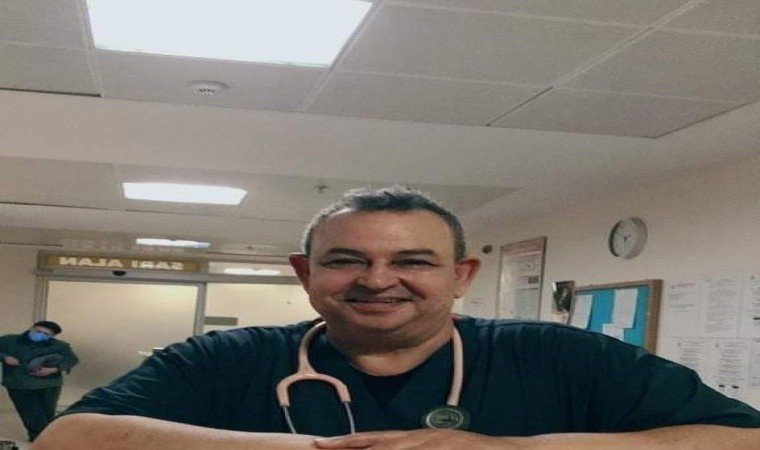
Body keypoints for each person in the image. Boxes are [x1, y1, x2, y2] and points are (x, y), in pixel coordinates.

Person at [33, 186, 760, 450]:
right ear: (305, 274)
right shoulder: (224, 359)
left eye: (412, 260)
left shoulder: (560, 356)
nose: (379, 280)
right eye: (347, 260)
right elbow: (69, 438)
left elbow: (739, 438)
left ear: (461, 276)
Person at [0, 321, 79, 441]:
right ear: (31, 328)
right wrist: (5, 357)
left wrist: (53, 369)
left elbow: (72, 359)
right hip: (19, 384)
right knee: (31, 414)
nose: (40, 335)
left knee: (47, 414)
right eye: (38, 331)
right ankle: (44, 440)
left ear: (52, 336)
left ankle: (43, 439)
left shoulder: (59, 346)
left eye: (46, 334)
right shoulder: (9, 341)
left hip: (49, 384)